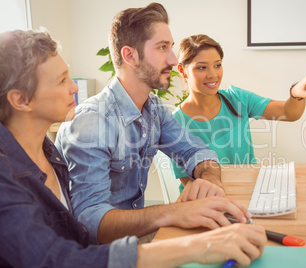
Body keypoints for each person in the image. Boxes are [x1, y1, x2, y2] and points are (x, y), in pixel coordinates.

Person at [0, 29, 267, 268]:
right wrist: (187, 238)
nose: (74, 87)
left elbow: (197, 150)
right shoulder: (86, 125)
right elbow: (60, 255)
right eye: (61, 80)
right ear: (21, 100)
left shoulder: (47, 152)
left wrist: (209, 180)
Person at [55, 3, 251, 245]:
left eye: (171, 47)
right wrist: (173, 212)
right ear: (130, 56)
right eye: (162, 48)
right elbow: (91, 223)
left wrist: (209, 179)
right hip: (99, 253)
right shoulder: (92, 122)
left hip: (134, 240)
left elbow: (197, 151)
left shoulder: (154, 110)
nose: (173, 59)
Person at [170, 34, 306, 191]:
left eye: (217, 65)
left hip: (250, 190)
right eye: (201, 67)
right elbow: (193, 186)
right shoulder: (175, 124)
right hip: (207, 202)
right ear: (182, 70)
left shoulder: (237, 99)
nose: (213, 74)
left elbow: (288, 113)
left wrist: (296, 93)